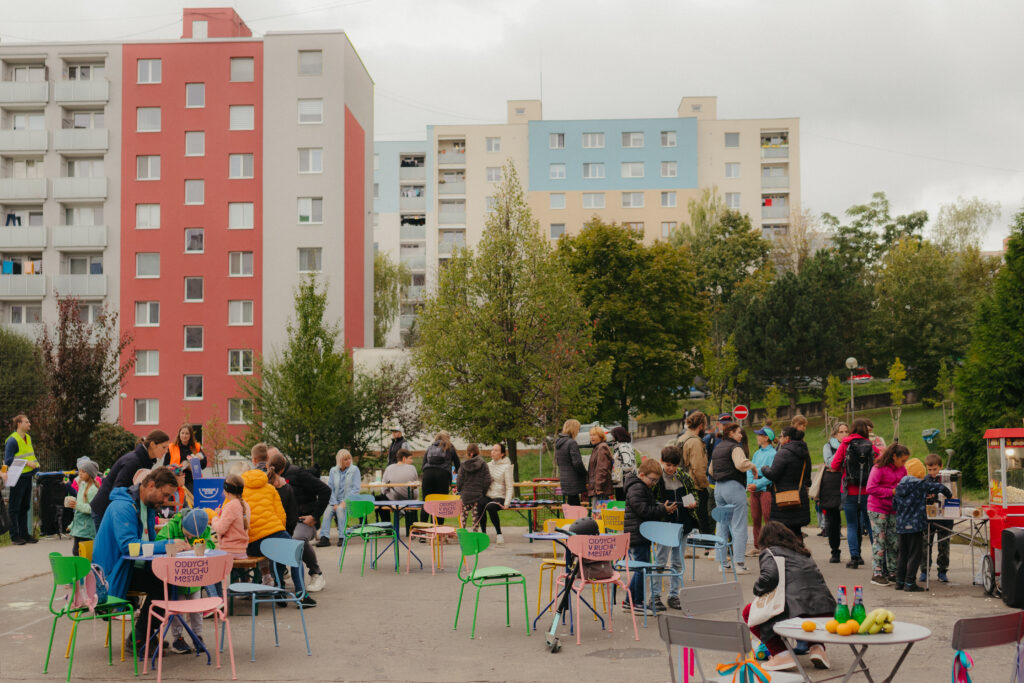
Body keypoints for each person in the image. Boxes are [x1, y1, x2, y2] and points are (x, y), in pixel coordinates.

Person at [92, 466, 186, 650]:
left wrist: (173, 546)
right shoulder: (123, 507)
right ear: (151, 485)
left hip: (128, 567)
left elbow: (147, 545)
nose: (166, 501)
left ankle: (146, 633)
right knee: (164, 582)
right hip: (112, 574)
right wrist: (168, 545)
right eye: (165, 495)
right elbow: (129, 546)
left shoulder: (147, 506)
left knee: (168, 578)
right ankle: (140, 638)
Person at [743, 522, 836, 672]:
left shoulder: (770, 552)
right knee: (808, 618)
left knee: (749, 612)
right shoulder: (803, 552)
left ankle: (781, 654)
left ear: (765, 539)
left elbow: (769, 577)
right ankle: (817, 649)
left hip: (795, 609)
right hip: (824, 608)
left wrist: (757, 589)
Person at [623, 459, 678, 614]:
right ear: (641, 474)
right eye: (652, 479)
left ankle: (629, 601)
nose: (654, 483)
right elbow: (643, 510)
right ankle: (637, 602)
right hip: (638, 533)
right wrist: (662, 510)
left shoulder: (640, 487)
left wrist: (660, 507)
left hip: (641, 533)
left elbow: (646, 506)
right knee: (642, 569)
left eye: (656, 480)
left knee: (641, 568)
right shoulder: (637, 488)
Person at [156, 508, 214, 654]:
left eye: (194, 536)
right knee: (177, 609)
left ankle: (198, 636)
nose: (190, 537)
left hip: (195, 577)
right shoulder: (171, 527)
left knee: (197, 609)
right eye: (187, 534)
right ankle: (178, 638)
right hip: (176, 578)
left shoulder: (204, 529)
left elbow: (211, 545)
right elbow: (158, 541)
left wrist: (196, 547)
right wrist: (172, 544)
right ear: (182, 524)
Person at [649, 446, 698, 611]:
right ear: (662, 461)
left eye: (674, 465)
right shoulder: (657, 479)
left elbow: (692, 493)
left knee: (677, 561)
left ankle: (674, 595)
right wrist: (662, 507)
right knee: (660, 561)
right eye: (668, 464)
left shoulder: (684, 477)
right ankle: (655, 595)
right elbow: (650, 500)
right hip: (664, 526)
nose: (670, 468)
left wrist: (692, 502)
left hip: (682, 525)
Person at [268, 451, 320, 603]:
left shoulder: (261, 488)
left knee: (275, 549)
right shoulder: (285, 489)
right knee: (292, 549)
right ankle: (300, 593)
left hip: (261, 539)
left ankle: (278, 587)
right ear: (283, 467)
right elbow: (291, 518)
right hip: (281, 533)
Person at [893, 458, 952, 592]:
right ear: (920, 472)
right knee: (915, 554)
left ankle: (899, 582)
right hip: (915, 525)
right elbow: (941, 487)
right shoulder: (921, 485)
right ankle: (910, 583)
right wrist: (949, 496)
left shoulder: (899, 486)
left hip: (901, 525)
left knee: (902, 554)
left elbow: (894, 505)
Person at [91, 430, 171, 525]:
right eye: (164, 447)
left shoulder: (146, 461)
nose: (166, 451)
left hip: (113, 509)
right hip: (104, 509)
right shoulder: (133, 462)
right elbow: (118, 490)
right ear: (153, 444)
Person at [830, 418, 879, 569]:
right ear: (866, 430)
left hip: (849, 490)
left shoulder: (845, 444)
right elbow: (880, 462)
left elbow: (834, 465)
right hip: (868, 491)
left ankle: (854, 557)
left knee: (851, 525)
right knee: (871, 526)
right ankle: (877, 557)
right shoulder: (871, 446)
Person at [241, 447, 291, 586]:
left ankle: (250, 581)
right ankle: (279, 581)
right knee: (278, 546)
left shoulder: (241, 490)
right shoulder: (270, 487)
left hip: (254, 541)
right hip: (277, 534)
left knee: (246, 547)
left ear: (253, 460)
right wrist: (279, 530)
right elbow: (281, 515)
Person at [711, 422, 757, 573]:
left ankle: (722, 563)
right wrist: (753, 466)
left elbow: (711, 470)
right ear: (730, 433)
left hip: (719, 488)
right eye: (738, 432)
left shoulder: (717, 448)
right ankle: (739, 563)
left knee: (722, 525)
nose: (741, 435)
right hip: (733, 487)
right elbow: (740, 464)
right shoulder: (736, 447)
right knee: (738, 525)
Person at [866, 443, 910, 586]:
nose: (903, 464)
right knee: (880, 540)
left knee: (894, 541)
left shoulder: (902, 470)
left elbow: (904, 485)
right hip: (877, 508)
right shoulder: (878, 468)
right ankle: (877, 572)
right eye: (902, 460)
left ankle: (893, 571)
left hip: (894, 509)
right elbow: (871, 488)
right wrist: (890, 492)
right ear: (894, 456)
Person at [761, 426, 812, 542]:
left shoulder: (783, 453)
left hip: (783, 497)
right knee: (796, 530)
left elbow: (773, 474)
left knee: (783, 531)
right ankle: (800, 554)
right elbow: (808, 477)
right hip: (799, 496)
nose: (779, 438)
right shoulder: (804, 453)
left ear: (787, 438)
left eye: (781, 436)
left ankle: (788, 555)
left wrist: (764, 469)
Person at [675, 411, 713, 538]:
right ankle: (709, 548)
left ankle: (688, 547)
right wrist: (704, 486)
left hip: (683, 485)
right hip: (695, 487)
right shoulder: (695, 442)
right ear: (701, 425)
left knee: (689, 517)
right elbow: (698, 468)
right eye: (705, 425)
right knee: (703, 518)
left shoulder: (681, 439)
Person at [4, 414, 39, 544]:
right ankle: (15, 536)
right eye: (27, 421)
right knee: (14, 507)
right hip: (17, 477)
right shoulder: (12, 440)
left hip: (27, 476)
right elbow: (8, 460)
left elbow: (31, 456)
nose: (29, 424)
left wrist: (35, 469)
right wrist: (25, 463)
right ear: (19, 424)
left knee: (25, 506)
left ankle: (25, 534)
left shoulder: (28, 438)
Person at [919, 453, 952, 583]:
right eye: (930, 469)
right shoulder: (924, 480)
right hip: (929, 519)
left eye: (935, 469)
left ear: (941, 467)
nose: (932, 472)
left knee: (944, 546)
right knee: (925, 545)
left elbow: (953, 495)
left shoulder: (948, 479)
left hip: (946, 518)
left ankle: (942, 571)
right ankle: (924, 571)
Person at [318, 449, 361, 547]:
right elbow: (330, 488)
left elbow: (356, 489)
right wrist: (334, 503)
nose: (348, 461)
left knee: (341, 510)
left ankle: (342, 537)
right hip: (335, 500)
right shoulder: (333, 471)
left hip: (349, 500)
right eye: (345, 459)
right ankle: (324, 538)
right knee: (327, 511)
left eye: (349, 458)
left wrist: (344, 502)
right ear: (340, 460)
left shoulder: (354, 470)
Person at [820, 423, 848, 563]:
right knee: (833, 520)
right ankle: (835, 551)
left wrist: (839, 465)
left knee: (853, 518)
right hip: (831, 485)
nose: (844, 434)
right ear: (835, 434)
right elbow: (830, 463)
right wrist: (842, 454)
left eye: (846, 431)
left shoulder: (852, 446)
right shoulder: (828, 446)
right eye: (841, 432)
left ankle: (856, 553)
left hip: (847, 483)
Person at [747, 427, 776, 553]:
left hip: (765, 490)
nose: (757, 437)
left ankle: (770, 545)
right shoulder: (757, 453)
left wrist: (757, 484)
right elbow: (750, 469)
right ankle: (757, 546)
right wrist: (750, 483)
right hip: (754, 490)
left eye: (760, 435)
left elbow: (771, 475)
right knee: (755, 517)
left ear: (767, 438)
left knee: (768, 517)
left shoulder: (773, 454)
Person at [378, 449, 419, 537]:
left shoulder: (389, 468)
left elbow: (383, 488)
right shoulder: (412, 468)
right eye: (410, 458)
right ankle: (412, 528)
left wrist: (386, 491)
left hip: (395, 499)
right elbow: (416, 482)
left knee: (381, 499)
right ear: (404, 458)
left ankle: (388, 528)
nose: (412, 461)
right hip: (411, 498)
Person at [478, 443, 514, 544]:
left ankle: (499, 534)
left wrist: (507, 502)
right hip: (488, 495)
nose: (493, 452)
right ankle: (483, 534)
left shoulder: (507, 467)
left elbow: (509, 487)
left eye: (496, 450)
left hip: (500, 496)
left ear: (502, 454)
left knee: (490, 506)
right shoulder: (488, 465)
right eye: (492, 450)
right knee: (480, 503)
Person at [421, 432, 459, 523]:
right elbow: (458, 466)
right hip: (442, 476)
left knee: (426, 502)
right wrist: (453, 479)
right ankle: (438, 531)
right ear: (448, 438)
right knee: (441, 503)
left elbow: (423, 466)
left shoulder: (430, 448)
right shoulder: (450, 448)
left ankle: (422, 531)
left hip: (427, 475)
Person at [212, 473, 250, 557]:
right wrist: (221, 514)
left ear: (226, 491)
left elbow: (220, 529)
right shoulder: (245, 505)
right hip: (242, 551)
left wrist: (214, 518)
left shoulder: (230, 506)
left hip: (230, 552)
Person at [68, 458, 100, 556]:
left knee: (82, 553)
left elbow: (92, 509)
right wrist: (72, 525)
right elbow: (79, 511)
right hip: (79, 528)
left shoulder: (93, 490)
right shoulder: (82, 486)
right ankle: (80, 570)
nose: (80, 474)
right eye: (79, 471)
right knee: (76, 552)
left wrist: (77, 505)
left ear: (90, 474)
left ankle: (85, 570)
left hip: (86, 529)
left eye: (83, 472)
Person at [162, 424, 206, 494]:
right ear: (179, 434)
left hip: (192, 481)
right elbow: (165, 466)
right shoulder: (171, 447)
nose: (184, 436)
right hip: (175, 481)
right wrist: (180, 467)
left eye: (187, 433)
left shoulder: (196, 447)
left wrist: (193, 465)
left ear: (190, 435)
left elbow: (204, 464)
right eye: (182, 433)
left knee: (191, 503)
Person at [456, 443, 491, 530]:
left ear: (468, 453)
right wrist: (483, 492)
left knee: (463, 516)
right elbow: (487, 480)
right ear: (478, 452)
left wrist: (460, 490)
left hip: (465, 495)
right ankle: (475, 535)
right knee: (476, 518)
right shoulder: (483, 464)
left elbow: (459, 480)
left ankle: (462, 534)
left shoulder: (463, 464)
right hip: (478, 496)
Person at [555, 419, 587, 506]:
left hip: (564, 479)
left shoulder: (558, 443)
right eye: (578, 429)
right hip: (574, 480)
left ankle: (570, 519)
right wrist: (585, 473)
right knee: (575, 506)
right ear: (574, 429)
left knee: (571, 503)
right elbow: (577, 463)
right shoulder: (571, 443)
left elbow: (558, 461)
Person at [608, 426, 638, 501]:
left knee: (622, 504)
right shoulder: (626, 446)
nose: (612, 438)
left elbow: (628, 465)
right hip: (626, 481)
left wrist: (616, 471)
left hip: (624, 482)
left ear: (617, 435)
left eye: (613, 435)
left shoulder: (622, 447)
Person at [586, 426, 614, 501]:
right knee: (597, 511)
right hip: (596, 488)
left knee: (599, 512)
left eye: (594, 435)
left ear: (601, 436)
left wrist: (599, 487)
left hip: (600, 490)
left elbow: (602, 469)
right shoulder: (597, 447)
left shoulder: (602, 447)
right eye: (591, 435)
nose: (592, 437)